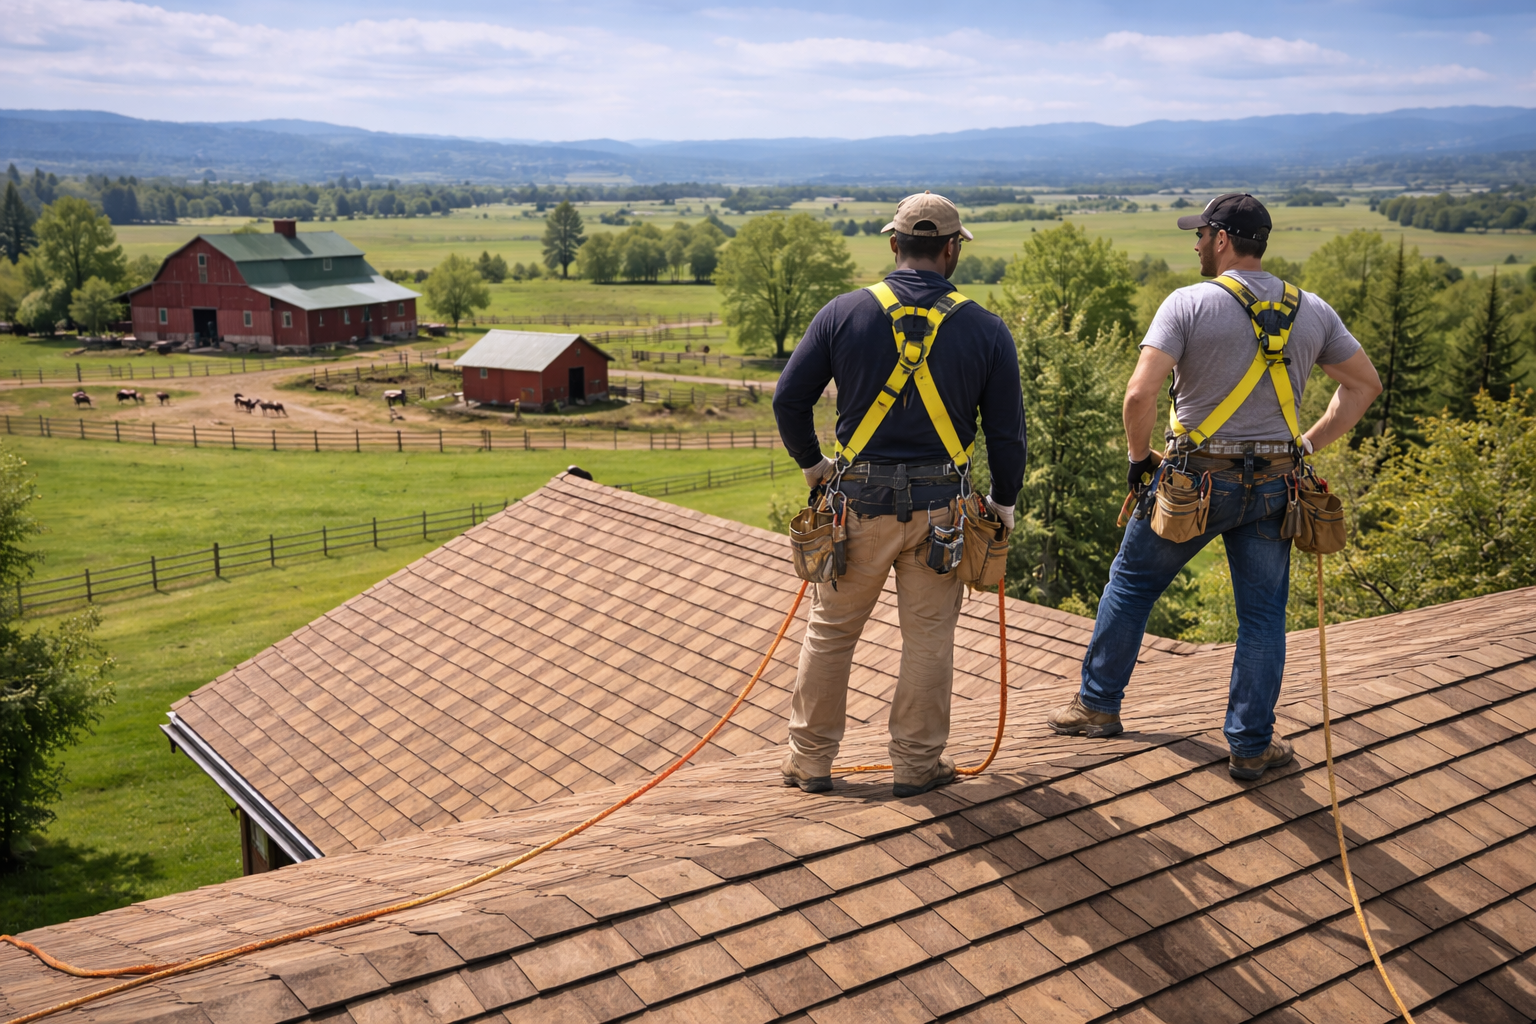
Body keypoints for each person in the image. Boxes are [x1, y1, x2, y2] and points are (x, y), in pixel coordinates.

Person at [1046, 192, 1382, 780]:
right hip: (1278, 485)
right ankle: (1251, 746)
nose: (1196, 244)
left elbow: (1139, 394)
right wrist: (1307, 444)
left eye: (1200, 234)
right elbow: (1363, 386)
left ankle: (1097, 707)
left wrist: (1136, 458)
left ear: (1222, 238)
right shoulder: (1313, 311)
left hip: (1192, 484)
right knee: (1261, 618)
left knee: (1131, 584)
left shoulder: (1188, 304)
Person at [773, 192, 1027, 797]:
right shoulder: (986, 329)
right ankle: (915, 766)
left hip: (855, 506)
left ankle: (810, 763)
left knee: (831, 631)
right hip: (944, 512)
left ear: (894, 244)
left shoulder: (843, 314)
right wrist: (1004, 504)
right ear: (951, 250)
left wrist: (814, 467)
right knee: (929, 639)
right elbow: (1007, 433)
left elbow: (788, 399)